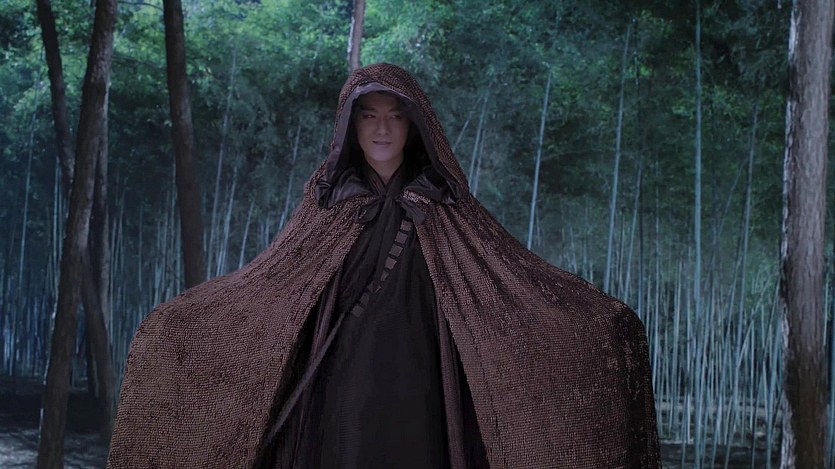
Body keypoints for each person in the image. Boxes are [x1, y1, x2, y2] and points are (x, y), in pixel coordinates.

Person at [108, 63, 660, 468]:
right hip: (341, 378)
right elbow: (273, 286)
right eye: (368, 115)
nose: (382, 129)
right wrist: (187, 326)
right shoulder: (327, 204)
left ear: (415, 126)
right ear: (350, 124)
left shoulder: (445, 204)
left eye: (396, 116)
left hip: (421, 377)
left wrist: (590, 324)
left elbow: (504, 277)